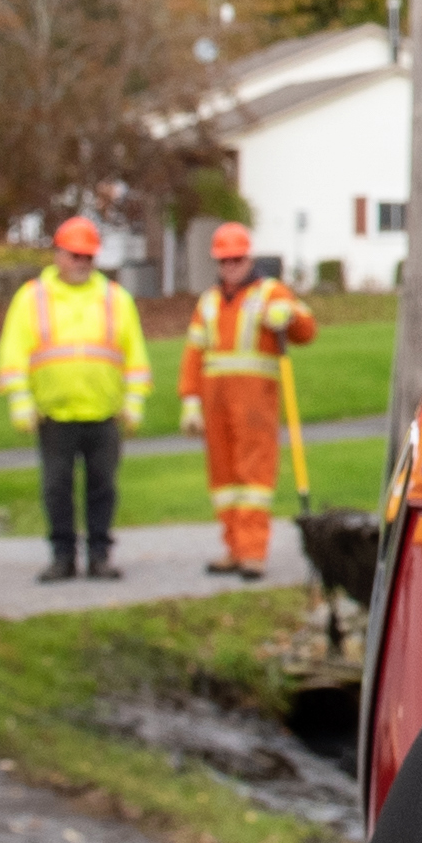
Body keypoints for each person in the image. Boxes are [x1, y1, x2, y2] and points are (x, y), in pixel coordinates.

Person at [0, 217, 149, 580]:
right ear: (58, 255)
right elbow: (14, 353)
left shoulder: (115, 298)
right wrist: (20, 401)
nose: (81, 263)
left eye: (88, 256)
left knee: (103, 488)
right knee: (57, 488)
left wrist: (135, 402)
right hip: (55, 415)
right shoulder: (32, 299)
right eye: (75, 255)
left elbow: (134, 355)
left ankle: (100, 555)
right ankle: (62, 556)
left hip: (104, 412)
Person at [184, 221, 320, 582]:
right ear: (217, 263)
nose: (231, 267)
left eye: (237, 260)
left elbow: (307, 329)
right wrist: (190, 401)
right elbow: (194, 354)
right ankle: (233, 547)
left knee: (253, 480)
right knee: (224, 481)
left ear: (249, 259)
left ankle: (253, 552)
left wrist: (288, 316)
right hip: (215, 403)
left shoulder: (270, 292)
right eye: (225, 261)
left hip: (254, 403)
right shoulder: (209, 302)